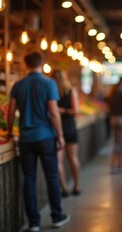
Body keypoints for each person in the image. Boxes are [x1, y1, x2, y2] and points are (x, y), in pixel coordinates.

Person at [7, 51, 70, 231]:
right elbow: (54, 112)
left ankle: (33, 222)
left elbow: (11, 112)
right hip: (45, 137)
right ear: (42, 63)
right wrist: (60, 135)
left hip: (25, 139)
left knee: (29, 179)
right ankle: (57, 216)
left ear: (26, 65)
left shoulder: (18, 85)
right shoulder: (49, 84)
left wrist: (10, 132)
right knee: (51, 177)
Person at [51, 69, 81, 197]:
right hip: (70, 127)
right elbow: (76, 111)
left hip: (56, 128)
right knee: (73, 158)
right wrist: (64, 110)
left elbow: (51, 111)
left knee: (58, 161)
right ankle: (77, 185)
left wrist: (58, 110)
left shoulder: (50, 92)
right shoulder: (71, 91)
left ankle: (64, 188)